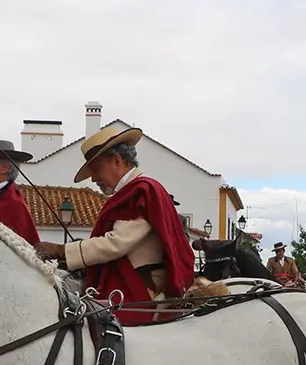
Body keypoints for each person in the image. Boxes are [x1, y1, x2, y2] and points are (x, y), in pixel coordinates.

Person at [33, 125, 194, 324]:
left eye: (96, 169)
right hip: (126, 280)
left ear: (117, 161)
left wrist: (61, 251)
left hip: (139, 288)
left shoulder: (141, 191)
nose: (93, 178)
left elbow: (116, 243)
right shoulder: (134, 191)